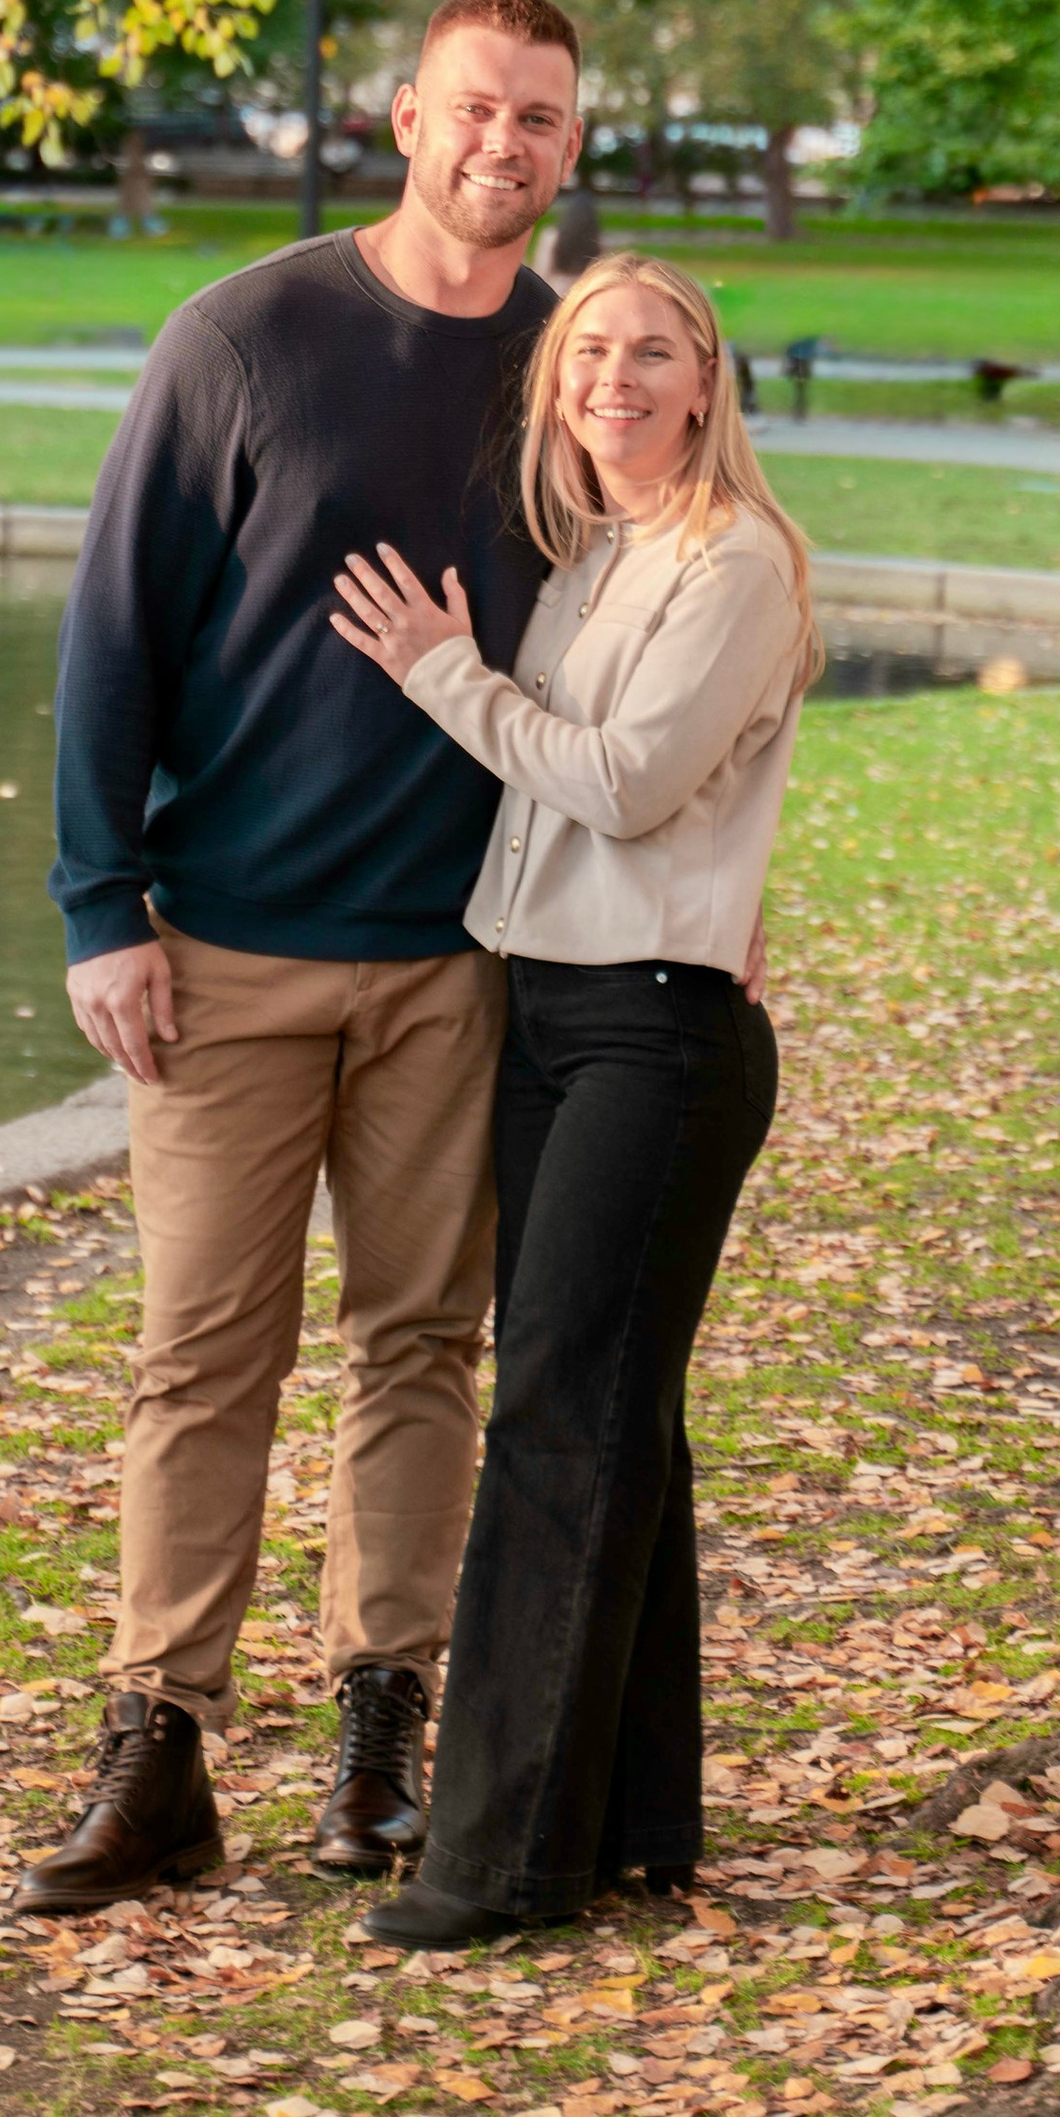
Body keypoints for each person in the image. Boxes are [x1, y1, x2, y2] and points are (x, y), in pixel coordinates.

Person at [17, 0, 585, 1915]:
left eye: (539, 122)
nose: (501, 145)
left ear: (568, 152)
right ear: (405, 116)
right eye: (475, 109)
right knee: (202, 1357)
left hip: (459, 959)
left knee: (421, 1344)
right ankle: (157, 1747)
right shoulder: (247, 337)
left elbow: (644, 644)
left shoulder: (572, 374)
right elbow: (116, 629)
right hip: (229, 951)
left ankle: (378, 1740)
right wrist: (105, 904)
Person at [326, 252, 816, 1943]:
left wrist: (443, 676)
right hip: (549, 1013)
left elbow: (623, 783)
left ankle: (498, 1858)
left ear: (705, 382)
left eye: (653, 350)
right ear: (558, 388)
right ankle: (631, 1818)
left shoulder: (738, 560)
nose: (616, 375)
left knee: (549, 1410)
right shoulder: (596, 553)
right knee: (621, 1419)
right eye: (589, 349)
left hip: (658, 1042)